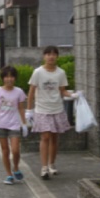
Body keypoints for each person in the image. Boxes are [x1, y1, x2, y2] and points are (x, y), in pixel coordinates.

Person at [26, 46, 80, 180]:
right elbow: (31, 91)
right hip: (42, 109)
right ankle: (44, 168)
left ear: (57, 56)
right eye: (48, 54)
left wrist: (73, 94)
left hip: (57, 109)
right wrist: (29, 110)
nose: (51, 56)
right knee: (45, 137)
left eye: (53, 54)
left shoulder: (60, 73)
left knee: (55, 138)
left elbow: (63, 91)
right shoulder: (37, 72)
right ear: (44, 56)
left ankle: (52, 164)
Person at [0, 66, 28, 185]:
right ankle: (9, 175)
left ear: (15, 78)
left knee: (15, 150)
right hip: (1, 124)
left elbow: (21, 108)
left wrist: (24, 124)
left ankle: (15, 168)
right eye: (6, 76)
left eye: (11, 76)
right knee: (5, 151)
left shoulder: (19, 91)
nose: (9, 79)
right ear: (3, 78)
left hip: (14, 125)